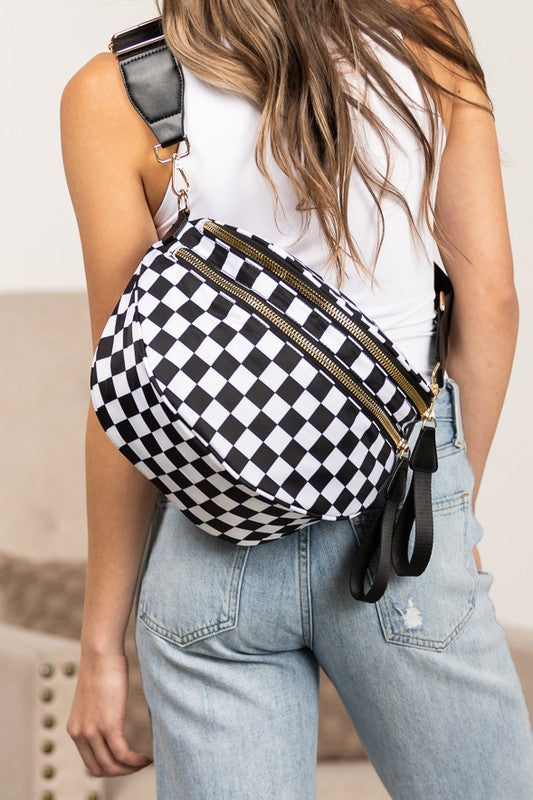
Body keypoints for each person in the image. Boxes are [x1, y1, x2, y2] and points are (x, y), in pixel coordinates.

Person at [60, 1, 533, 797]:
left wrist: (101, 642)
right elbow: (490, 301)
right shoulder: (422, 25)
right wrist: (446, 510)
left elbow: (127, 390)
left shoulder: (120, 90)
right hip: (393, 524)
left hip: (212, 545)